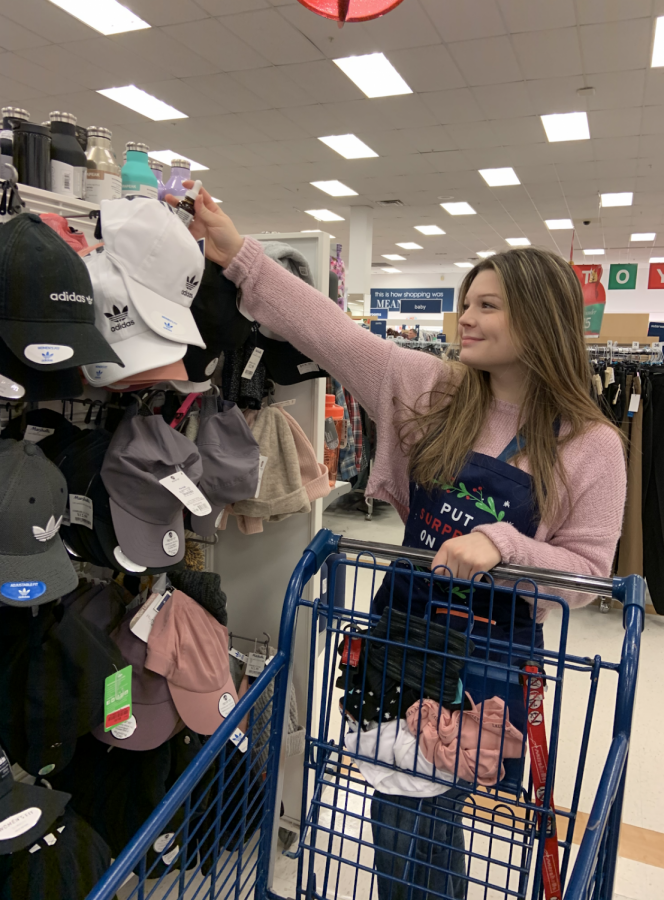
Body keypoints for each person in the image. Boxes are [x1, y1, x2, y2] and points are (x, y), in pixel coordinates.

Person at [167, 184, 627, 899]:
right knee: (409, 816)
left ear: (540, 320)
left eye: (487, 304)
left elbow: (590, 574)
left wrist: (503, 545)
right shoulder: (431, 388)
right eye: (464, 301)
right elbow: (328, 331)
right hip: (403, 638)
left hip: (488, 667)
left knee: (417, 817)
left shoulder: (593, 445)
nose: (463, 318)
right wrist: (236, 254)